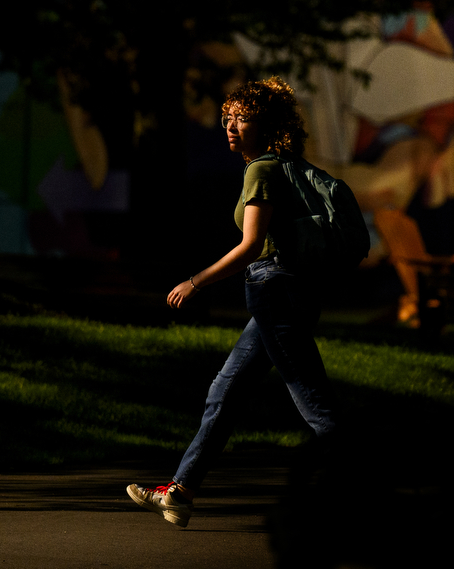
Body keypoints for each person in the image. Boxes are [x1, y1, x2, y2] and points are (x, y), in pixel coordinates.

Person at [127, 77, 338, 527]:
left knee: (315, 405)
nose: (230, 125)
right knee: (224, 391)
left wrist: (196, 282)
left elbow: (251, 243)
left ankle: (375, 495)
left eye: (242, 118)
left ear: (268, 124)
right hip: (283, 295)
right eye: (229, 117)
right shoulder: (283, 166)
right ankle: (180, 492)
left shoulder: (262, 169)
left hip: (275, 293)